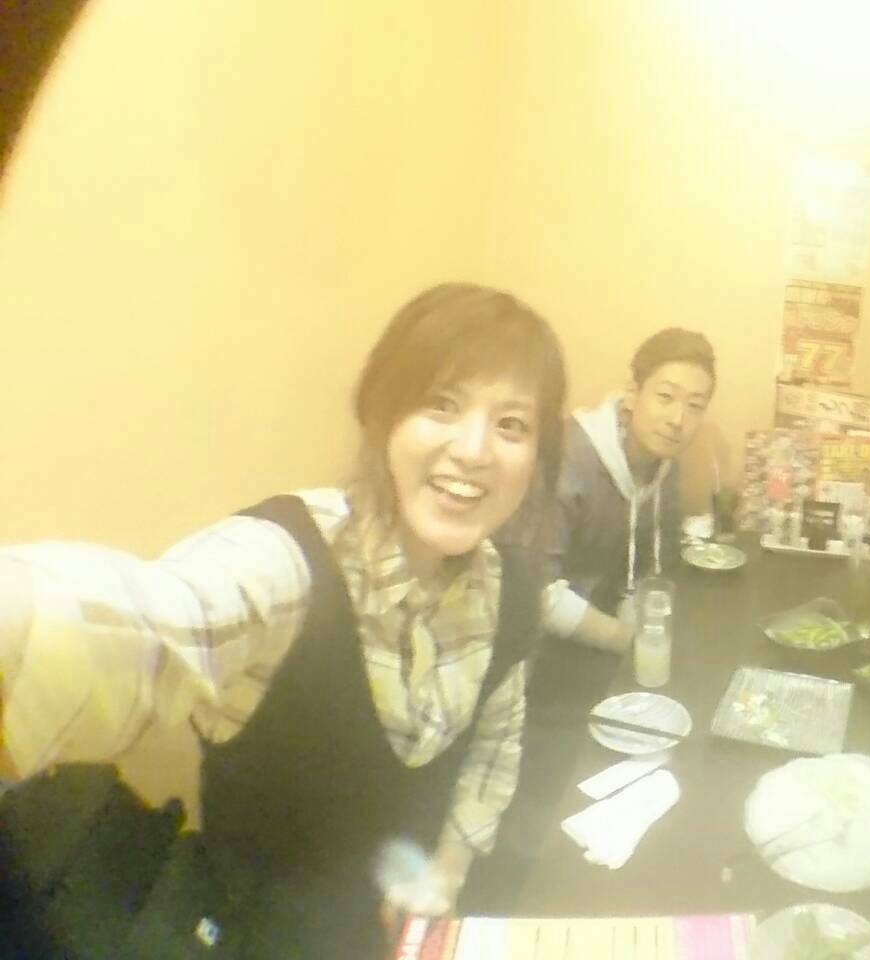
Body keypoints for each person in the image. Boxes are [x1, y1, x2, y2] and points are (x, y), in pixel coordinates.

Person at [0, 283, 575, 957]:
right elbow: (151, 620)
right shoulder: (287, 561)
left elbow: (494, 745)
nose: (474, 450)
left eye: (512, 425)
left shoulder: (513, 593)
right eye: (441, 404)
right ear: (384, 413)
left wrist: (445, 872)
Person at [515, 328, 715, 720]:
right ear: (633, 392)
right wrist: (629, 639)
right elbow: (538, 594)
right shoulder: (570, 458)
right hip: (542, 659)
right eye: (665, 397)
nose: (678, 420)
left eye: (695, 406)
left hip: (607, 636)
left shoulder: (663, 463)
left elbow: (659, 563)